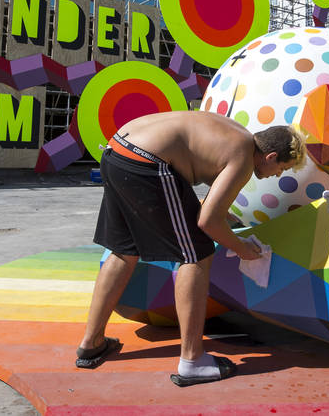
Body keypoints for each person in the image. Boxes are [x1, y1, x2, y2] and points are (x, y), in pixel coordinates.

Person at [75, 111, 305, 386]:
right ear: (270, 157)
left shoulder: (236, 135)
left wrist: (221, 216)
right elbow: (207, 221)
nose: (277, 175)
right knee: (197, 253)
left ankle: (92, 343)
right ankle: (193, 360)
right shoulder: (243, 156)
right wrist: (241, 247)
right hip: (148, 163)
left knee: (124, 251)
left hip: (116, 151)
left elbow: (206, 188)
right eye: (283, 168)